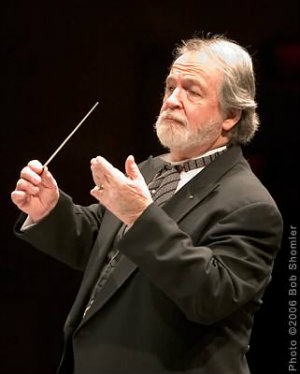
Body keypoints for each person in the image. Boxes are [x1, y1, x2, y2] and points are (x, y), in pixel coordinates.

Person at [12, 34, 283, 374]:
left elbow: (210, 294)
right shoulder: (152, 170)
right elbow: (101, 246)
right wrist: (49, 209)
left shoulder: (251, 204)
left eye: (192, 91)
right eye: (170, 87)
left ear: (230, 115)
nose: (172, 99)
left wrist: (141, 216)